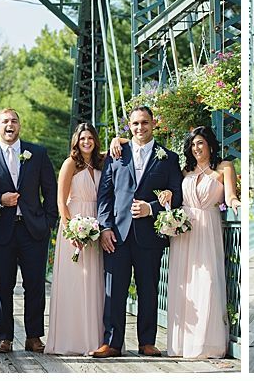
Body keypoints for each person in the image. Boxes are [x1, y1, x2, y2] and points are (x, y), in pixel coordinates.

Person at [92, 106, 182, 358]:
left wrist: (151, 208)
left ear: (154, 123)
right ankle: (111, 343)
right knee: (114, 290)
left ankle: (147, 342)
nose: (140, 128)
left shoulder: (169, 157)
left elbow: (176, 195)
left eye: (144, 123)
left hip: (149, 235)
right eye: (135, 124)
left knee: (148, 289)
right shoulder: (117, 153)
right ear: (129, 126)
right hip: (117, 235)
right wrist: (105, 227)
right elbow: (105, 195)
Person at [0, 108, 58, 354]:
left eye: (14, 121)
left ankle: (33, 337)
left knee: (35, 285)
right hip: (1, 232)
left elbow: (50, 189)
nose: (10, 125)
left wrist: (48, 221)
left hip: (33, 230)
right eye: (5, 122)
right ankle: (5, 337)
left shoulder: (37, 153)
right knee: (2, 286)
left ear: (19, 126)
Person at [168, 126, 238, 358]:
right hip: (185, 232)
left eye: (200, 143)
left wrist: (236, 203)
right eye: (193, 144)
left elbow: (230, 196)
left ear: (209, 144)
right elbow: (175, 197)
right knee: (185, 284)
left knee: (207, 282)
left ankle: (207, 343)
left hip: (208, 229)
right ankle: (183, 343)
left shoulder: (224, 168)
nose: (196, 148)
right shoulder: (184, 170)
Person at [46, 123, 105, 356]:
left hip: (96, 226)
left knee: (94, 282)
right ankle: (71, 339)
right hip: (74, 226)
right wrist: (72, 231)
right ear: (76, 142)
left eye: (90, 138)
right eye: (82, 139)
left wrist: (116, 141)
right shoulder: (70, 164)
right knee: (75, 281)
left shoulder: (101, 161)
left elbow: (125, 144)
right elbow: (61, 202)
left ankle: (94, 339)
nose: (87, 142)